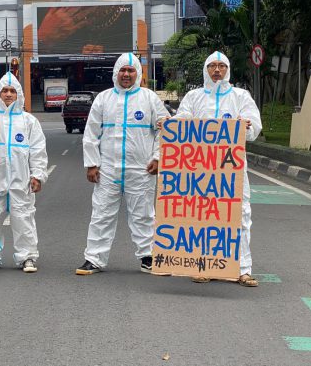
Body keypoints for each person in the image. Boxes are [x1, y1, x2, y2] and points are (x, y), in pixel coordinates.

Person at [168, 51, 262, 287]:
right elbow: (182, 122)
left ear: (228, 69)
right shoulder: (193, 96)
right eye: (212, 66)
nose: (217, 70)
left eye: (221, 66)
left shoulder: (241, 96)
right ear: (205, 69)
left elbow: (254, 129)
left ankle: (242, 269)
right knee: (204, 218)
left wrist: (247, 127)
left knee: (240, 217)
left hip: (233, 171)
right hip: (201, 171)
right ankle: (205, 265)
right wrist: (169, 126)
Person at [76, 53, 169, 276]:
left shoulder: (149, 99)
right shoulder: (103, 99)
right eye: (122, 70)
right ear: (115, 73)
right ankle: (94, 258)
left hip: (141, 170)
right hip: (107, 170)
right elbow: (91, 134)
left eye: (131, 70)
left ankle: (148, 257)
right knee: (101, 214)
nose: (126, 75)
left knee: (144, 215)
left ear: (138, 74)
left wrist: (157, 158)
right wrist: (91, 164)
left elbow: (164, 130)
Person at [0, 72, 48, 273]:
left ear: (19, 95)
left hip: (21, 179)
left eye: (12, 91)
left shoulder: (28, 121)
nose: (8, 95)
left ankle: (27, 257)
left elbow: (37, 150)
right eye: (4, 91)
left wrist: (38, 174)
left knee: (24, 217)